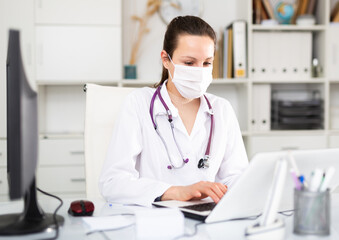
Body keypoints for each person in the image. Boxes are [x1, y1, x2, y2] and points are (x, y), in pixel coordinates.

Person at [99, 16, 248, 207]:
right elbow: (112, 183)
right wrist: (176, 192)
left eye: (206, 63)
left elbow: (237, 177)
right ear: (166, 60)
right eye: (189, 63)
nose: (199, 71)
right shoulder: (138, 104)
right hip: (156, 220)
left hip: (207, 219)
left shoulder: (222, 109)